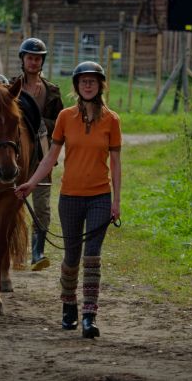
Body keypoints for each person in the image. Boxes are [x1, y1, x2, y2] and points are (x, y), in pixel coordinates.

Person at [15, 61, 122, 339]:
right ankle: (68, 305)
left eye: (93, 81)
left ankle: (89, 315)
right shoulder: (64, 117)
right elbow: (51, 156)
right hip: (70, 197)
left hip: (100, 196)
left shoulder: (112, 120)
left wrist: (116, 201)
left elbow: (116, 162)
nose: (88, 85)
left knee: (92, 256)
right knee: (72, 256)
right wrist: (31, 182)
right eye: (83, 81)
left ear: (100, 86)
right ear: (77, 86)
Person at [11, 37, 63, 271]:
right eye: (30, 57)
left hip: (42, 155)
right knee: (12, 204)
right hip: (15, 155)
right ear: (23, 60)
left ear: (42, 61)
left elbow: (61, 123)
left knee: (42, 206)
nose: (33, 62)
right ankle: (16, 252)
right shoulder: (11, 87)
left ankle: (37, 250)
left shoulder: (52, 91)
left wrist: (44, 124)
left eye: (37, 58)